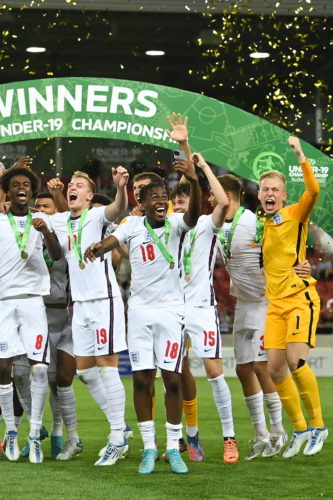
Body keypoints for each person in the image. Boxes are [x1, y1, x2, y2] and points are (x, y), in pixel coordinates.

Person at [85, 156, 200, 475]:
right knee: (141, 378)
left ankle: (173, 447)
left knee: (173, 379)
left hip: (171, 312)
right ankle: (149, 447)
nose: (161, 201)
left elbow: (194, 215)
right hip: (138, 313)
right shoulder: (133, 225)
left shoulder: (177, 224)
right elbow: (113, 241)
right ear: (144, 204)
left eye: (164, 197)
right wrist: (99, 247)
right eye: (155, 198)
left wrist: (194, 180)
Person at [211, 173, 312, 459]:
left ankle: (278, 431)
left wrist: (301, 265)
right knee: (243, 369)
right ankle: (260, 434)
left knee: (260, 366)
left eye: (213, 194)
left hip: (266, 301)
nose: (210, 199)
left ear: (226, 196)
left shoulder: (254, 223)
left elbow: (284, 245)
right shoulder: (216, 225)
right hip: (243, 302)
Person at [0, 167, 61, 463]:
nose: (21, 188)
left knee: (39, 369)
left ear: (32, 191)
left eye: (26, 184)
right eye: (15, 185)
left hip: (33, 300)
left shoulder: (43, 220)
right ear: (8, 191)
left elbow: (57, 255)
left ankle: (34, 432)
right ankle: (11, 431)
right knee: (4, 367)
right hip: (2, 301)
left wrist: (45, 231)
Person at [48, 166, 130, 466]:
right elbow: (35, 218)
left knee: (107, 367)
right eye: (71, 183)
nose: (73, 187)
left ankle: (117, 437)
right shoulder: (60, 220)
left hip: (103, 300)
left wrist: (121, 187)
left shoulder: (96, 216)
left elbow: (118, 208)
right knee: (85, 372)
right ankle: (121, 427)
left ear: (90, 196)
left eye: (79, 185)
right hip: (80, 305)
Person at [259, 136, 326, 457]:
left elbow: (313, 191)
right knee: (274, 370)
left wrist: (300, 156)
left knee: (296, 362)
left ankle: (318, 426)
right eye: (265, 189)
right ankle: (299, 429)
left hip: (300, 298)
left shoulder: (296, 214)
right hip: (274, 305)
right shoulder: (261, 225)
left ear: (283, 195)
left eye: (275, 189)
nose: (269, 193)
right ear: (259, 194)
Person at [170, 153, 238, 464]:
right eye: (176, 202)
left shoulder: (207, 224)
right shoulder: (168, 228)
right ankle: (184, 438)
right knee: (172, 373)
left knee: (213, 372)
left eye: (184, 200)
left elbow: (223, 202)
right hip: (172, 309)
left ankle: (229, 438)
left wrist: (202, 167)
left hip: (200, 307)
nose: (179, 205)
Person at [34, 190, 79, 460]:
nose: (41, 210)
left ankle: (70, 435)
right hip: (38, 317)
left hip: (66, 317)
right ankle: (52, 432)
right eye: (37, 206)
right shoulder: (26, 237)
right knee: (46, 380)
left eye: (47, 206)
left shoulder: (66, 240)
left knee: (63, 378)